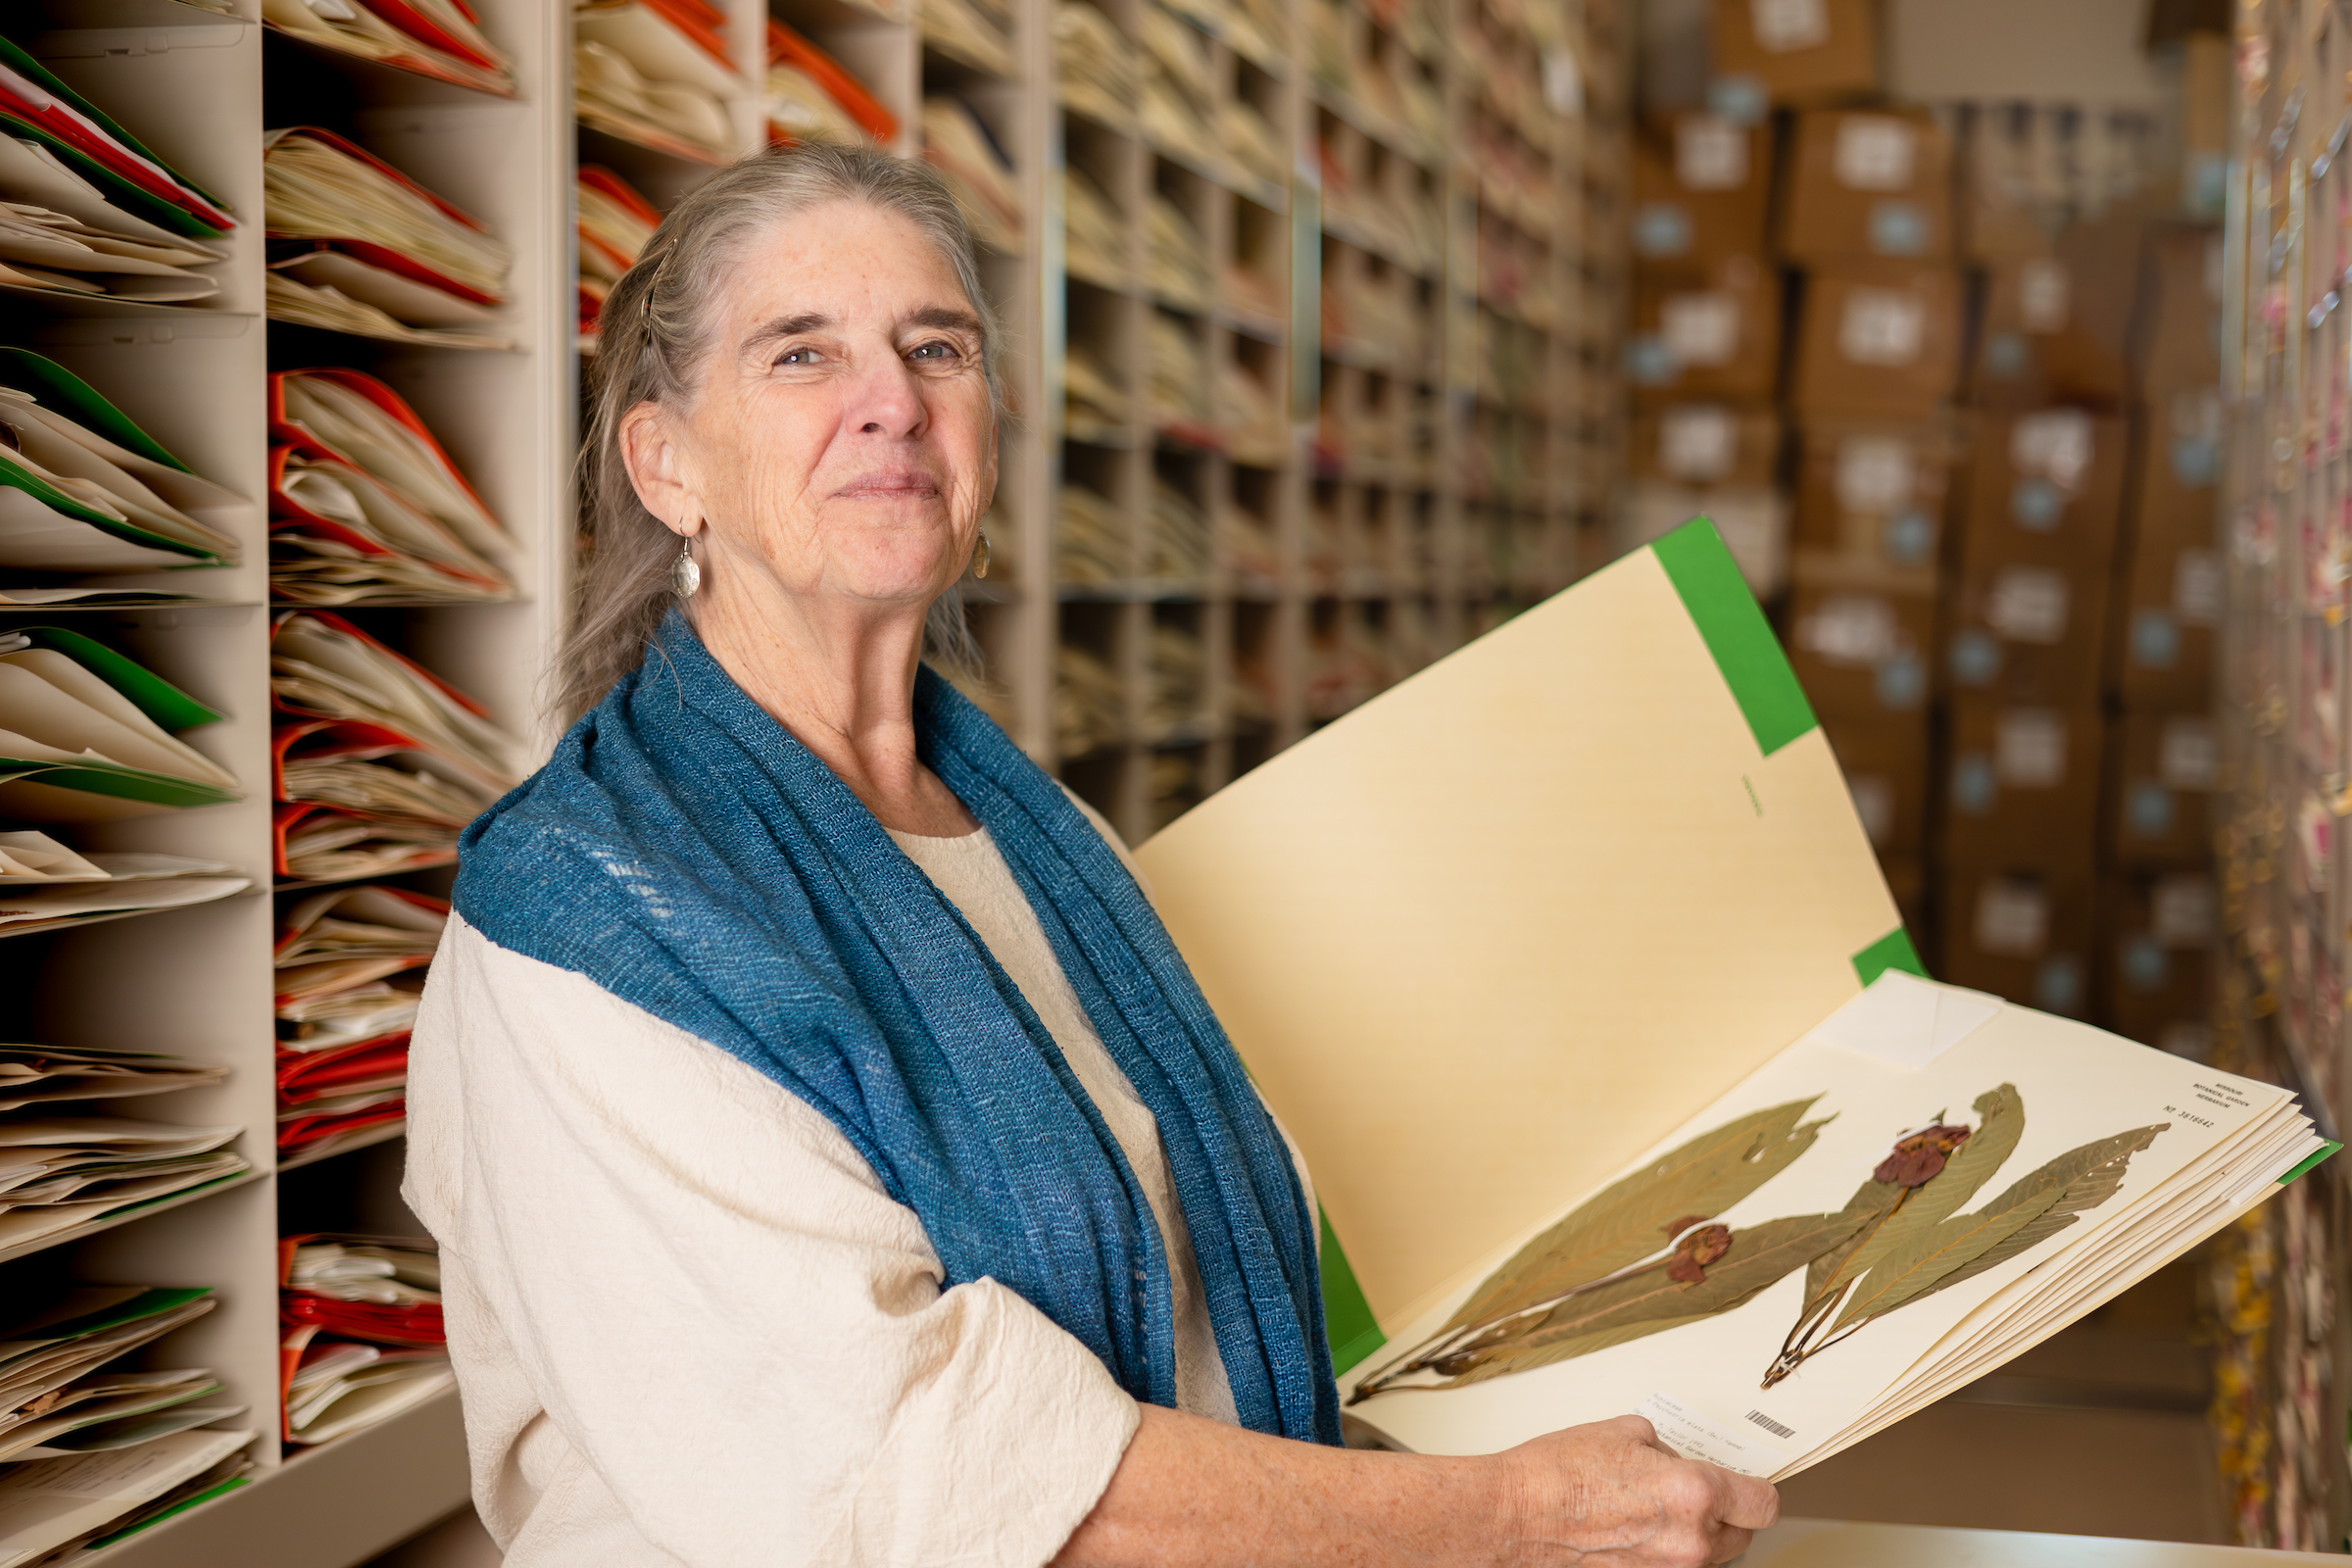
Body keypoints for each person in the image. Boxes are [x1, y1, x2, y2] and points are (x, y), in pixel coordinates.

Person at [403, 142, 1777, 1567]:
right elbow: (915, 1474)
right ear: (665, 461)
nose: (893, 404)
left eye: (936, 348)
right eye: (800, 355)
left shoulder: (1052, 848)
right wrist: (1495, 1521)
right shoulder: (581, 922)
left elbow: (1203, 1339)